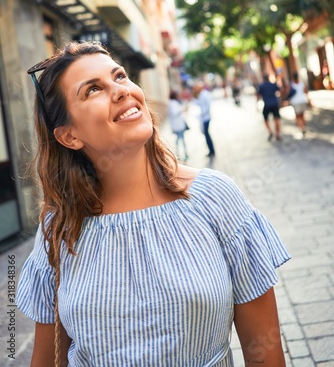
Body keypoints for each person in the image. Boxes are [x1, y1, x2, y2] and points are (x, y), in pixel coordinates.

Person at [17, 41, 290, 366]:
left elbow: (266, 354)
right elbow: (47, 361)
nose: (120, 91)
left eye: (119, 76)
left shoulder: (214, 198)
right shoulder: (58, 227)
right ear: (69, 136)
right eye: (92, 90)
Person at [192, 81, 216, 157]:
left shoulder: (204, 94)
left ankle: (211, 150)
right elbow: (199, 103)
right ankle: (211, 150)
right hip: (204, 117)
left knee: (207, 134)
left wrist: (202, 114)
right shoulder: (201, 95)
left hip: (206, 117)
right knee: (206, 134)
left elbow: (207, 106)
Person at [257, 73, 281, 141]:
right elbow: (279, 91)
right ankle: (277, 134)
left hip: (267, 104)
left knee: (265, 120)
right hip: (274, 104)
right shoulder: (273, 84)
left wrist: (256, 104)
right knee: (276, 119)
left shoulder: (261, 86)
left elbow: (258, 95)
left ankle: (270, 131)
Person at [168, 89, 189, 159]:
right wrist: (182, 109)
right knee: (181, 140)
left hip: (178, 124)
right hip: (178, 125)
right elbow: (175, 112)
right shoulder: (172, 103)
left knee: (180, 139)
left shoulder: (173, 103)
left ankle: (180, 154)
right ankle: (181, 154)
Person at [288, 71, 310, 136]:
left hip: (295, 102)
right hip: (302, 100)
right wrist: (309, 101)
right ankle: (303, 125)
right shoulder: (302, 83)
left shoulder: (291, 84)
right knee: (302, 115)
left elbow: (288, 93)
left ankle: (302, 128)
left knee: (298, 116)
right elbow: (306, 92)